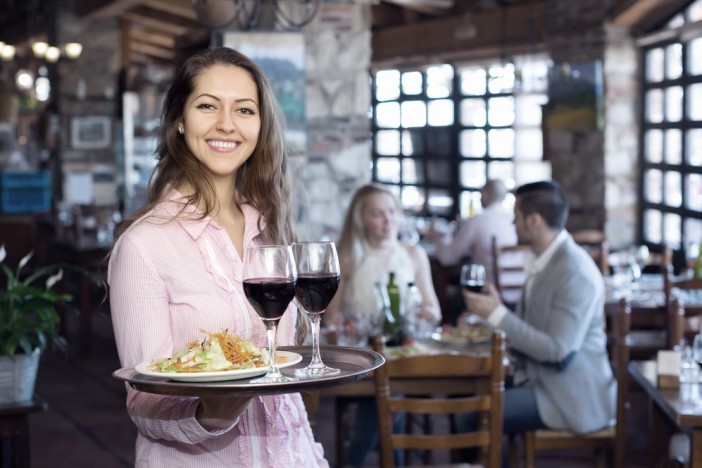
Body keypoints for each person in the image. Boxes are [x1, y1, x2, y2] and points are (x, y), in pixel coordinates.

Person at [107, 47, 327, 467]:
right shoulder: (144, 245)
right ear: (179, 121)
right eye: (207, 106)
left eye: (244, 110)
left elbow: (286, 384)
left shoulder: (270, 231)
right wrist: (214, 412)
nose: (226, 124)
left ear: (261, 126)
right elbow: (144, 406)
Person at [460, 180, 616, 442]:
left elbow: (558, 352)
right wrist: (495, 312)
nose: (512, 224)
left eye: (516, 217)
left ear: (534, 221)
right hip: (537, 378)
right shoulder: (545, 258)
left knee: (467, 416)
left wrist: (498, 314)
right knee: (463, 393)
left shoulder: (575, 271)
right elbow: (535, 324)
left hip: (568, 395)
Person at [325, 183, 441, 468]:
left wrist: (423, 313)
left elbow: (434, 311)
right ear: (361, 219)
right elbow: (331, 317)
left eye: (392, 211)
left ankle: (354, 462)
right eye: (377, 214)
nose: (388, 220)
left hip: (404, 352)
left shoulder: (413, 255)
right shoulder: (349, 257)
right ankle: (394, 461)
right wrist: (345, 325)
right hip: (363, 354)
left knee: (384, 392)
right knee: (385, 393)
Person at [432, 179, 517, 286]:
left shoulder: (478, 221)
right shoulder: (515, 220)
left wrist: (440, 236)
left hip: (487, 292)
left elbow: (447, 259)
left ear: (485, 194)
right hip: (519, 294)